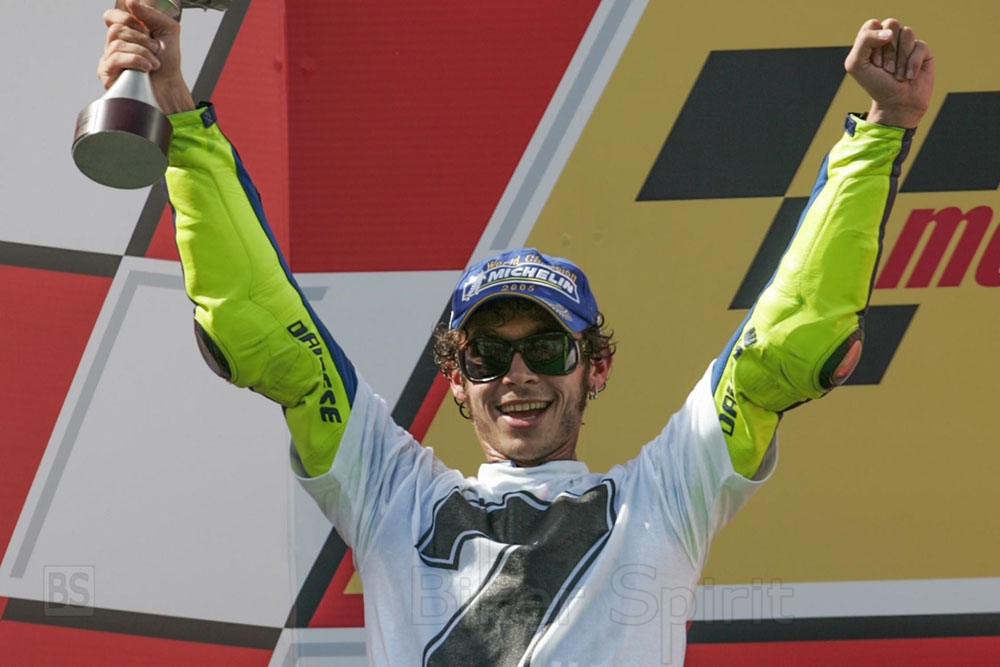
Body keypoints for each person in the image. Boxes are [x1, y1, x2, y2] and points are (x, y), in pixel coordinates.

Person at [98, 3, 933, 664]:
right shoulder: (389, 493)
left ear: (595, 366)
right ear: (456, 380)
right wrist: (178, 114)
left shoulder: (665, 498)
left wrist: (884, 129)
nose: (518, 374)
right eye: (489, 354)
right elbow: (268, 333)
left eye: (548, 347)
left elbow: (781, 348)